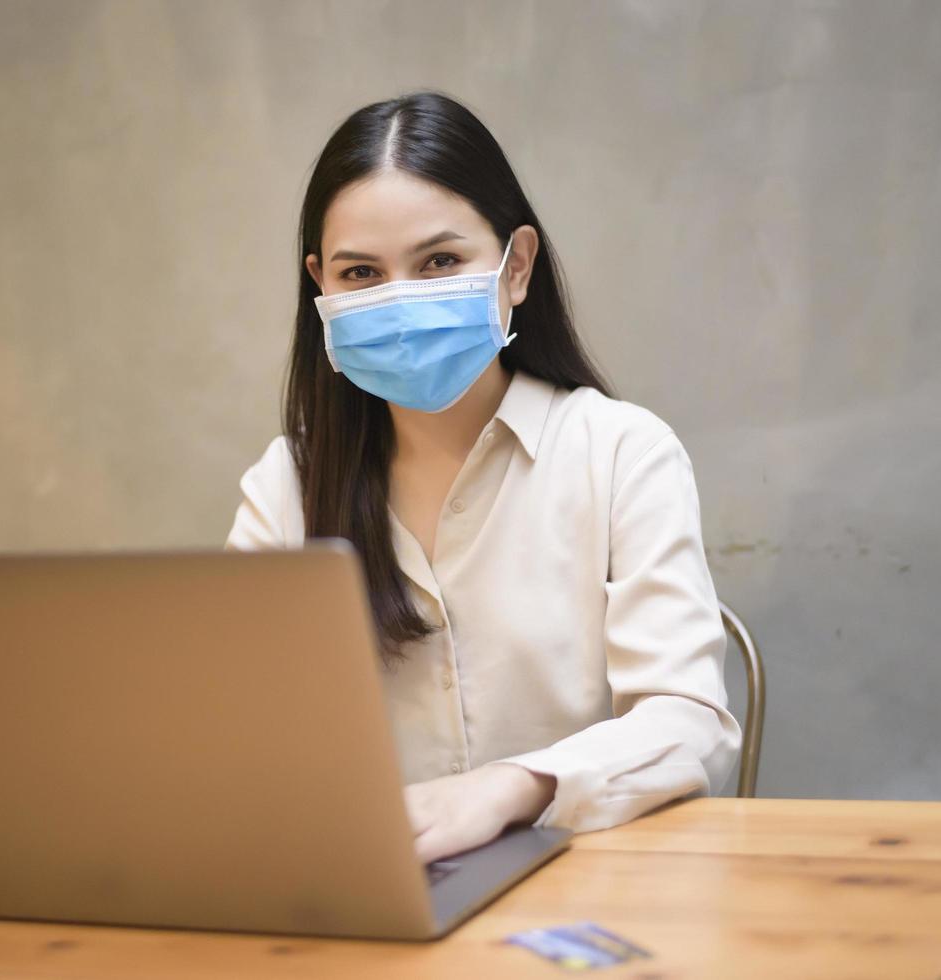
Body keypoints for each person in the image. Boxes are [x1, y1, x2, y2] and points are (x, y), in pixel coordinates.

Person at [225, 91, 741, 866]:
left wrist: (513, 787)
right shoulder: (286, 486)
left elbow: (688, 724)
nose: (398, 300)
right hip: (366, 891)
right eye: (361, 273)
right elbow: (233, 730)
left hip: (588, 882)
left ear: (516, 266)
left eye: (438, 262)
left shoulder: (621, 452)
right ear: (320, 289)